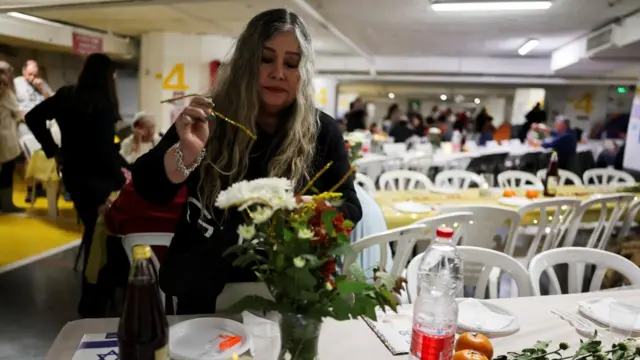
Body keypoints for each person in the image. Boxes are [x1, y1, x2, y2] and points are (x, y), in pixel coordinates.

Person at [130, 8, 362, 315]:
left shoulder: (322, 131)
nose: (278, 72)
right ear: (245, 63)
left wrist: (310, 208)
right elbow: (148, 187)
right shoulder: (208, 119)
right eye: (266, 59)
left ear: (302, 73)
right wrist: (185, 155)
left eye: (291, 63)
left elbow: (350, 207)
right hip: (203, 295)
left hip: (289, 291)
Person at [26, 53, 127, 318]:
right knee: (102, 237)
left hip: (74, 175)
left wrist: (53, 150)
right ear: (107, 76)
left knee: (94, 233)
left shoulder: (66, 95)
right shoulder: (103, 104)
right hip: (101, 179)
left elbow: (33, 117)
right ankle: (95, 299)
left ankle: (94, 300)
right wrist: (123, 181)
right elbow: (106, 151)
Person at [14, 60, 53, 203]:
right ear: (23, 71)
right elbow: (12, 102)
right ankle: (30, 190)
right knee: (30, 158)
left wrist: (42, 87)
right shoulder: (16, 83)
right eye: (29, 74)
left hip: (43, 126)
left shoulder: (41, 83)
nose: (32, 78)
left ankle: (40, 187)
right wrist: (20, 114)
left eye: (35, 74)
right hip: (26, 126)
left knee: (43, 157)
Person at [0, 61, 24, 213]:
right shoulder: (5, 91)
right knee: (7, 171)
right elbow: (18, 112)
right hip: (5, 137)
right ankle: (7, 205)